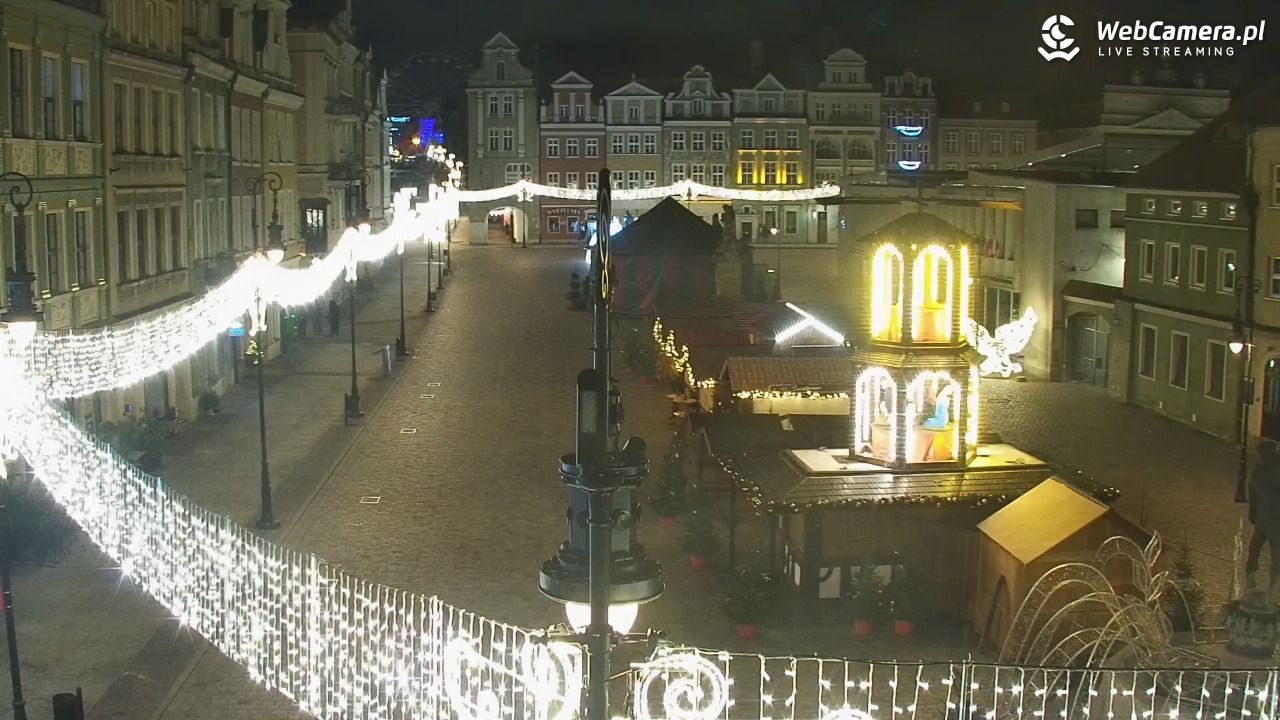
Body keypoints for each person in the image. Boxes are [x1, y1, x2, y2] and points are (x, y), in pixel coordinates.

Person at [1246, 440, 1280, 597]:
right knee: (1253, 549)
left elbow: (1260, 488)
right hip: (1263, 517)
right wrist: (1252, 511)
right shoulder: (1259, 470)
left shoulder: (1276, 470)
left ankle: (1272, 587)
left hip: (1276, 521)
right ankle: (1250, 579)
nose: (1262, 458)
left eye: (1265, 455)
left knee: (1276, 555)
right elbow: (1253, 491)